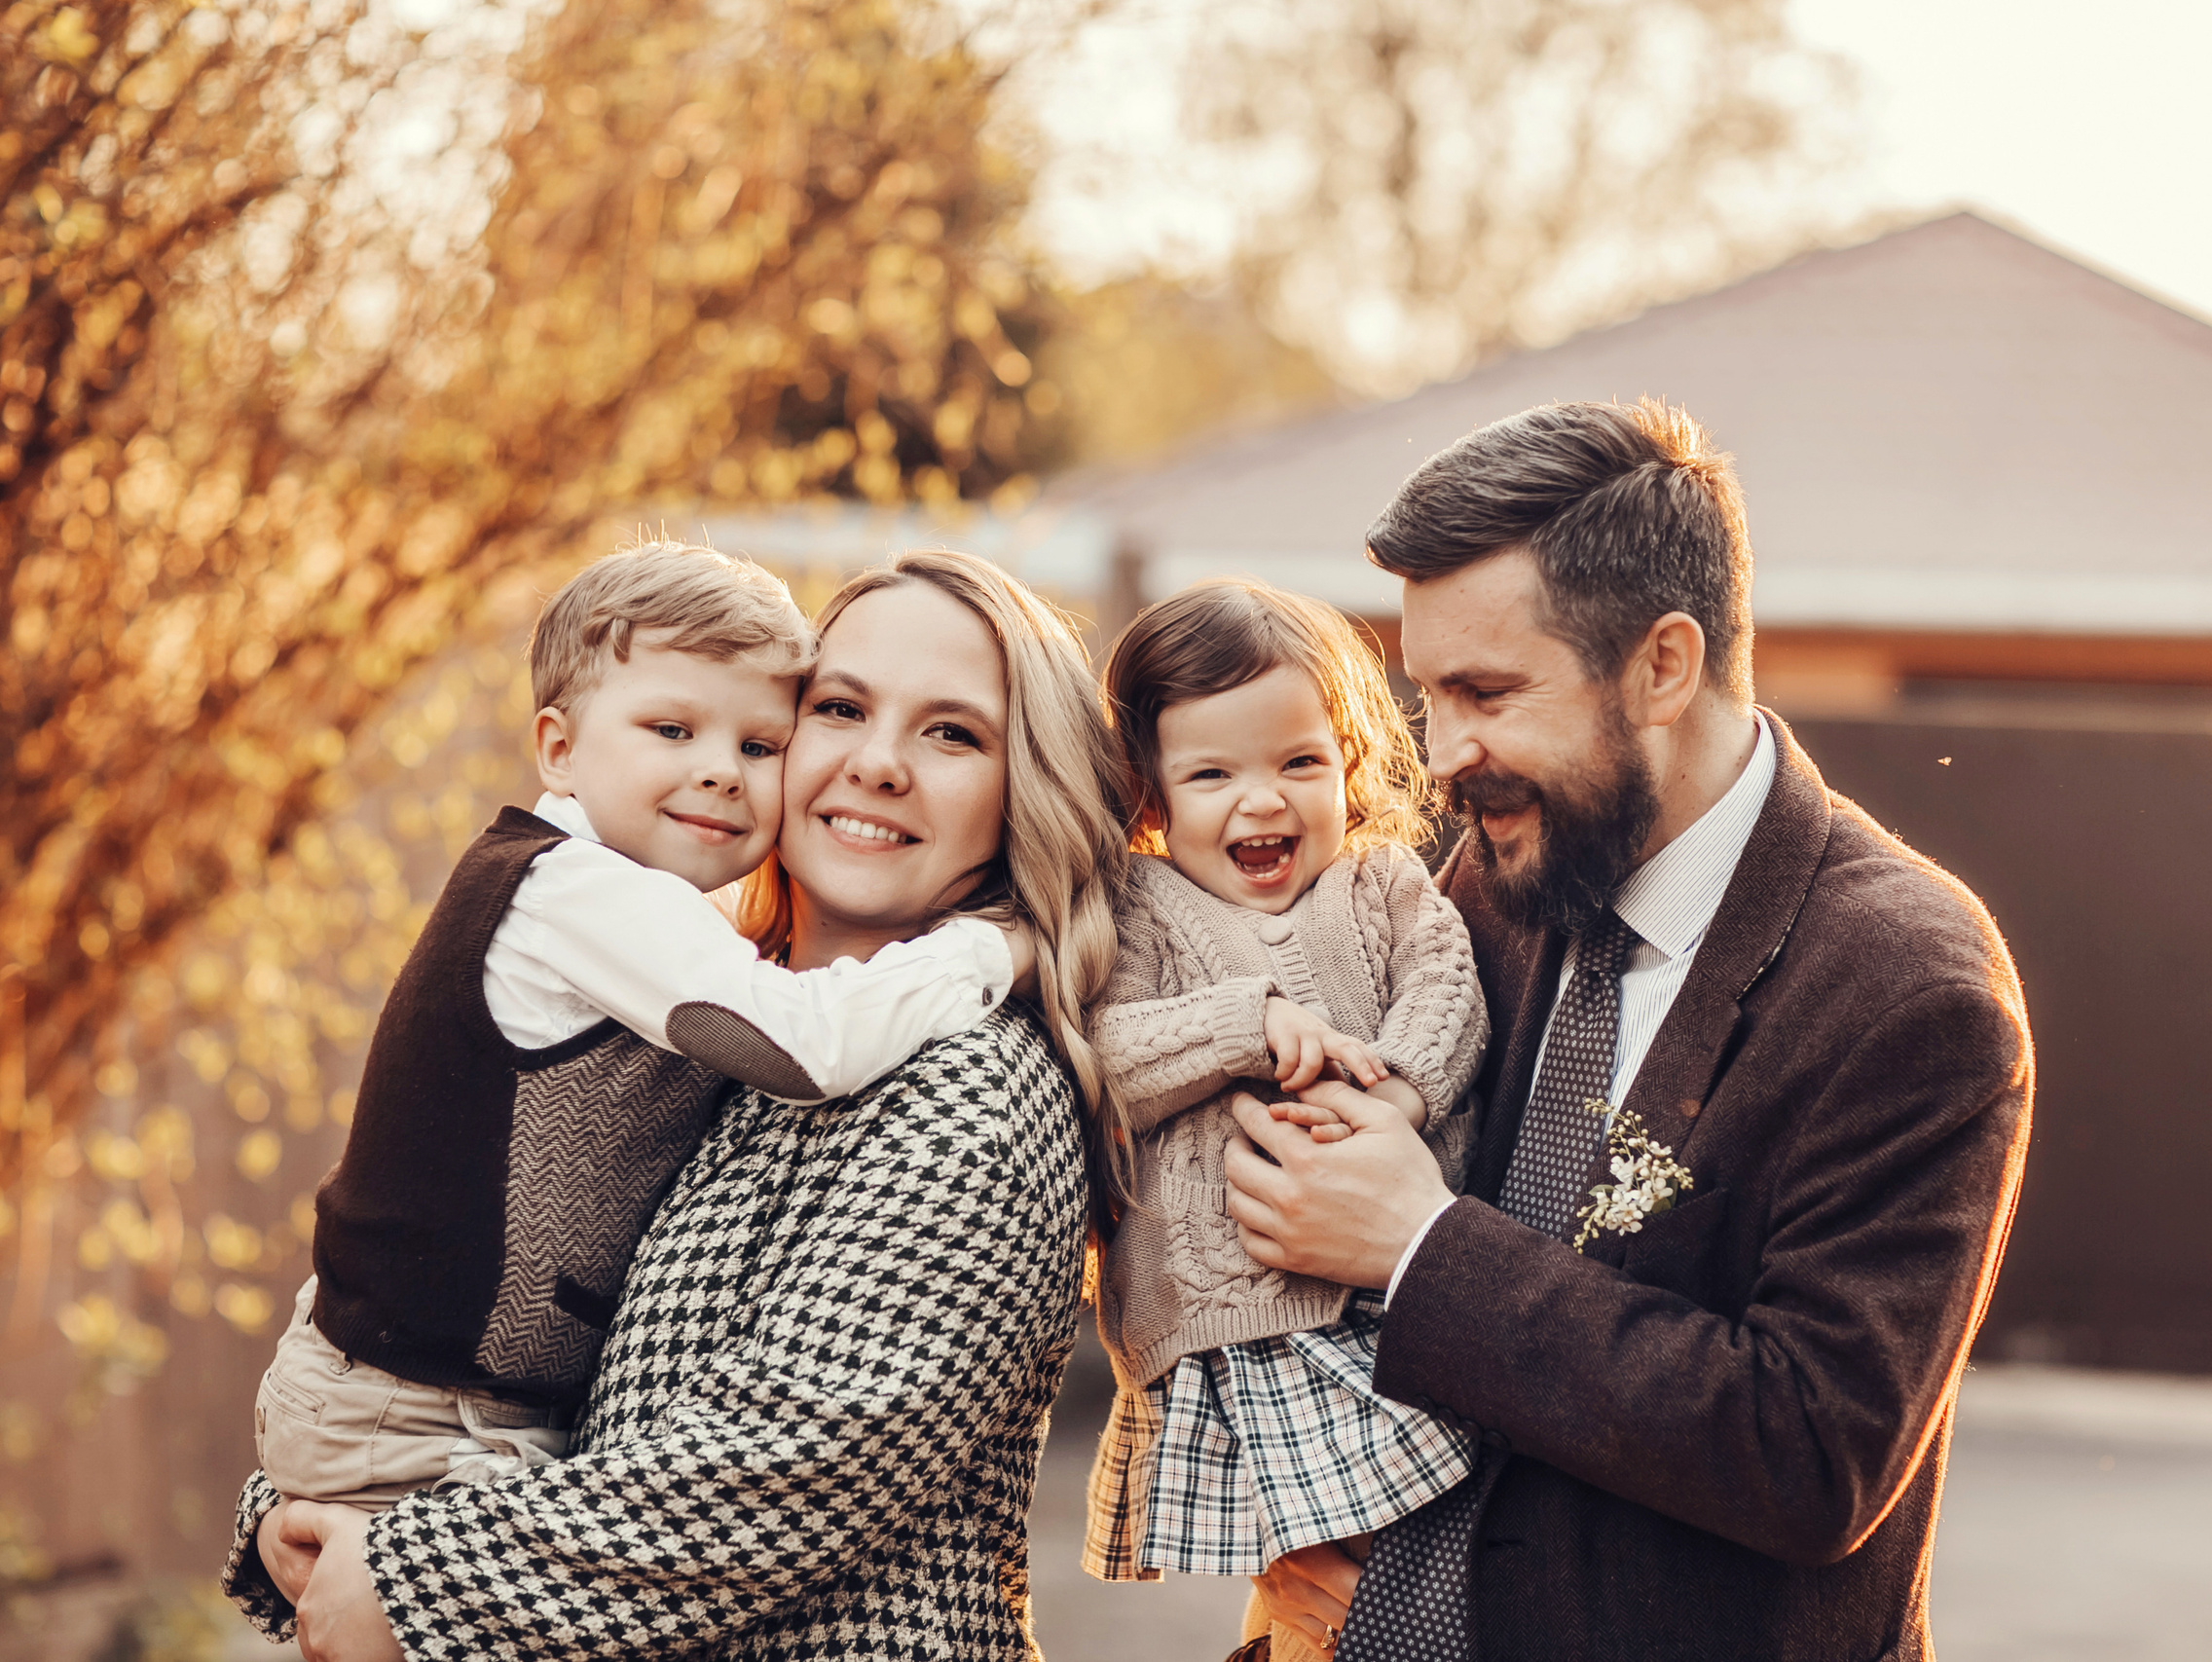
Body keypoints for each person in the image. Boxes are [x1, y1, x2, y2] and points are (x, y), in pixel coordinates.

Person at [1224, 399, 2034, 1661]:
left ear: (1663, 665)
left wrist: (1423, 1245)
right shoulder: (1496, 878)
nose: (1443, 753)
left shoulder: (1908, 985)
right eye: (1430, 694)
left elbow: (1813, 1450)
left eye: (1486, 691)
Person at [221, 550, 1127, 1661]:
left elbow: (784, 1475)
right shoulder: (706, 1027)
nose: (880, 763)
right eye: (839, 709)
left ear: (1021, 790)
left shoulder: (972, 1092)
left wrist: (407, 1580)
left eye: (953, 734)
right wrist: (310, 1515)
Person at [1081, 580, 1488, 1662]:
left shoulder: (1382, 884)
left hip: (1390, 1311)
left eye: (1298, 764)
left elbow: (1451, 989)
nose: (1261, 802)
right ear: (1152, 793)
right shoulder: (1141, 907)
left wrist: (1397, 1092)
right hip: (1235, 1330)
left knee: (1414, 1553)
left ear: (1352, 764)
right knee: (1327, 1583)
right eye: (1212, 774)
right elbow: (1104, 1060)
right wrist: (1241, 1024)